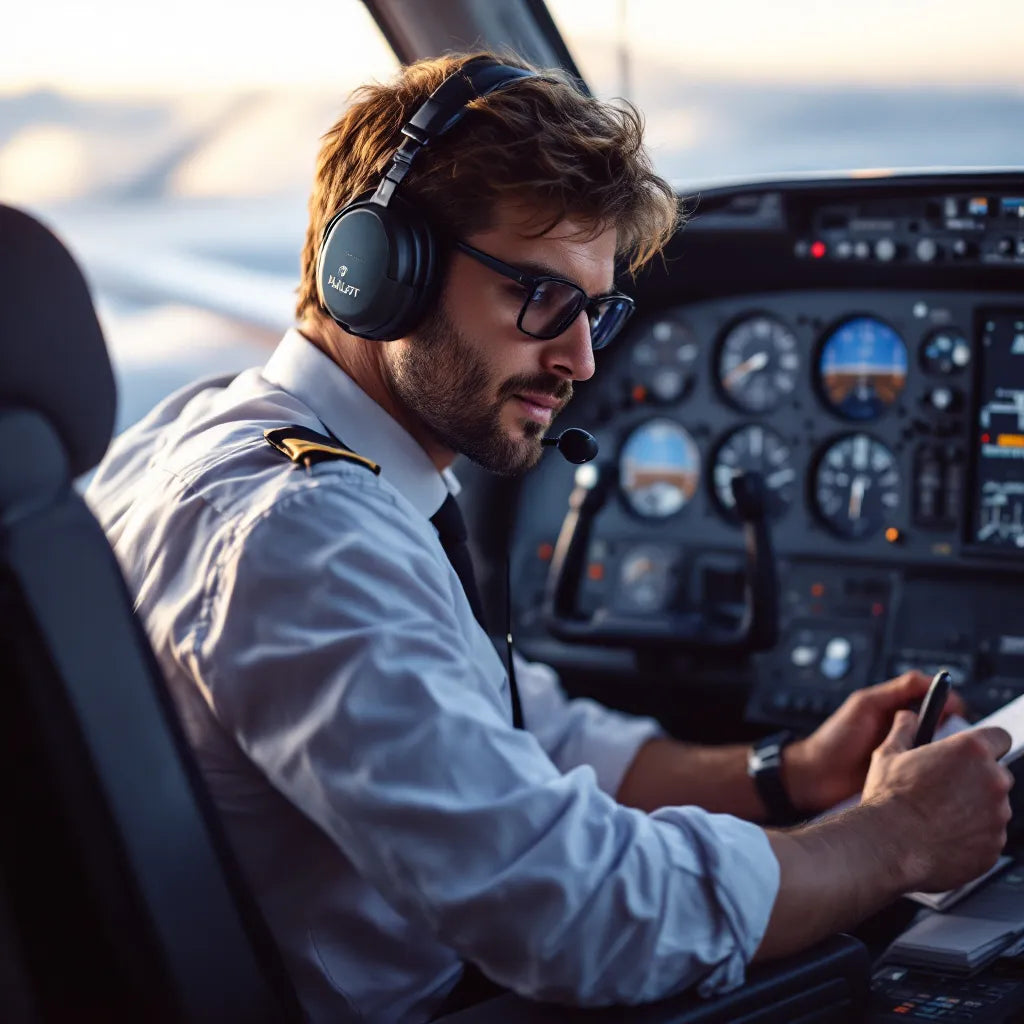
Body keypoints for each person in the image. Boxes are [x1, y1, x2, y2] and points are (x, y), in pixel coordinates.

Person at [86, 51, 1013, 1024]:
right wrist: (892, 838)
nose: (576, 359)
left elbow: (523, 735)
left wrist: (789, 773)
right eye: (539, 298)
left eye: (597, 312)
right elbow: (587, 914)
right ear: (378, 271)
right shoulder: (307, 541)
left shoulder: (211, 436)